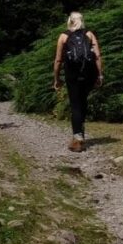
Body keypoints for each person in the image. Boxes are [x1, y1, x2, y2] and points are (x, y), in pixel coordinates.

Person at [52, 12, 103, 152]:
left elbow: (58, 60)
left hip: (72, 74)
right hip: (89, 74)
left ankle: (77, 138)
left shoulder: (63, 36)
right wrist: (100, 75)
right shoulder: (90, 34)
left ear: (70, 21)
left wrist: (56, 78)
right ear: (82, 21)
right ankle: (81, 130)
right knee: (83, 101)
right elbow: (97, 56)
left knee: (75, 104)